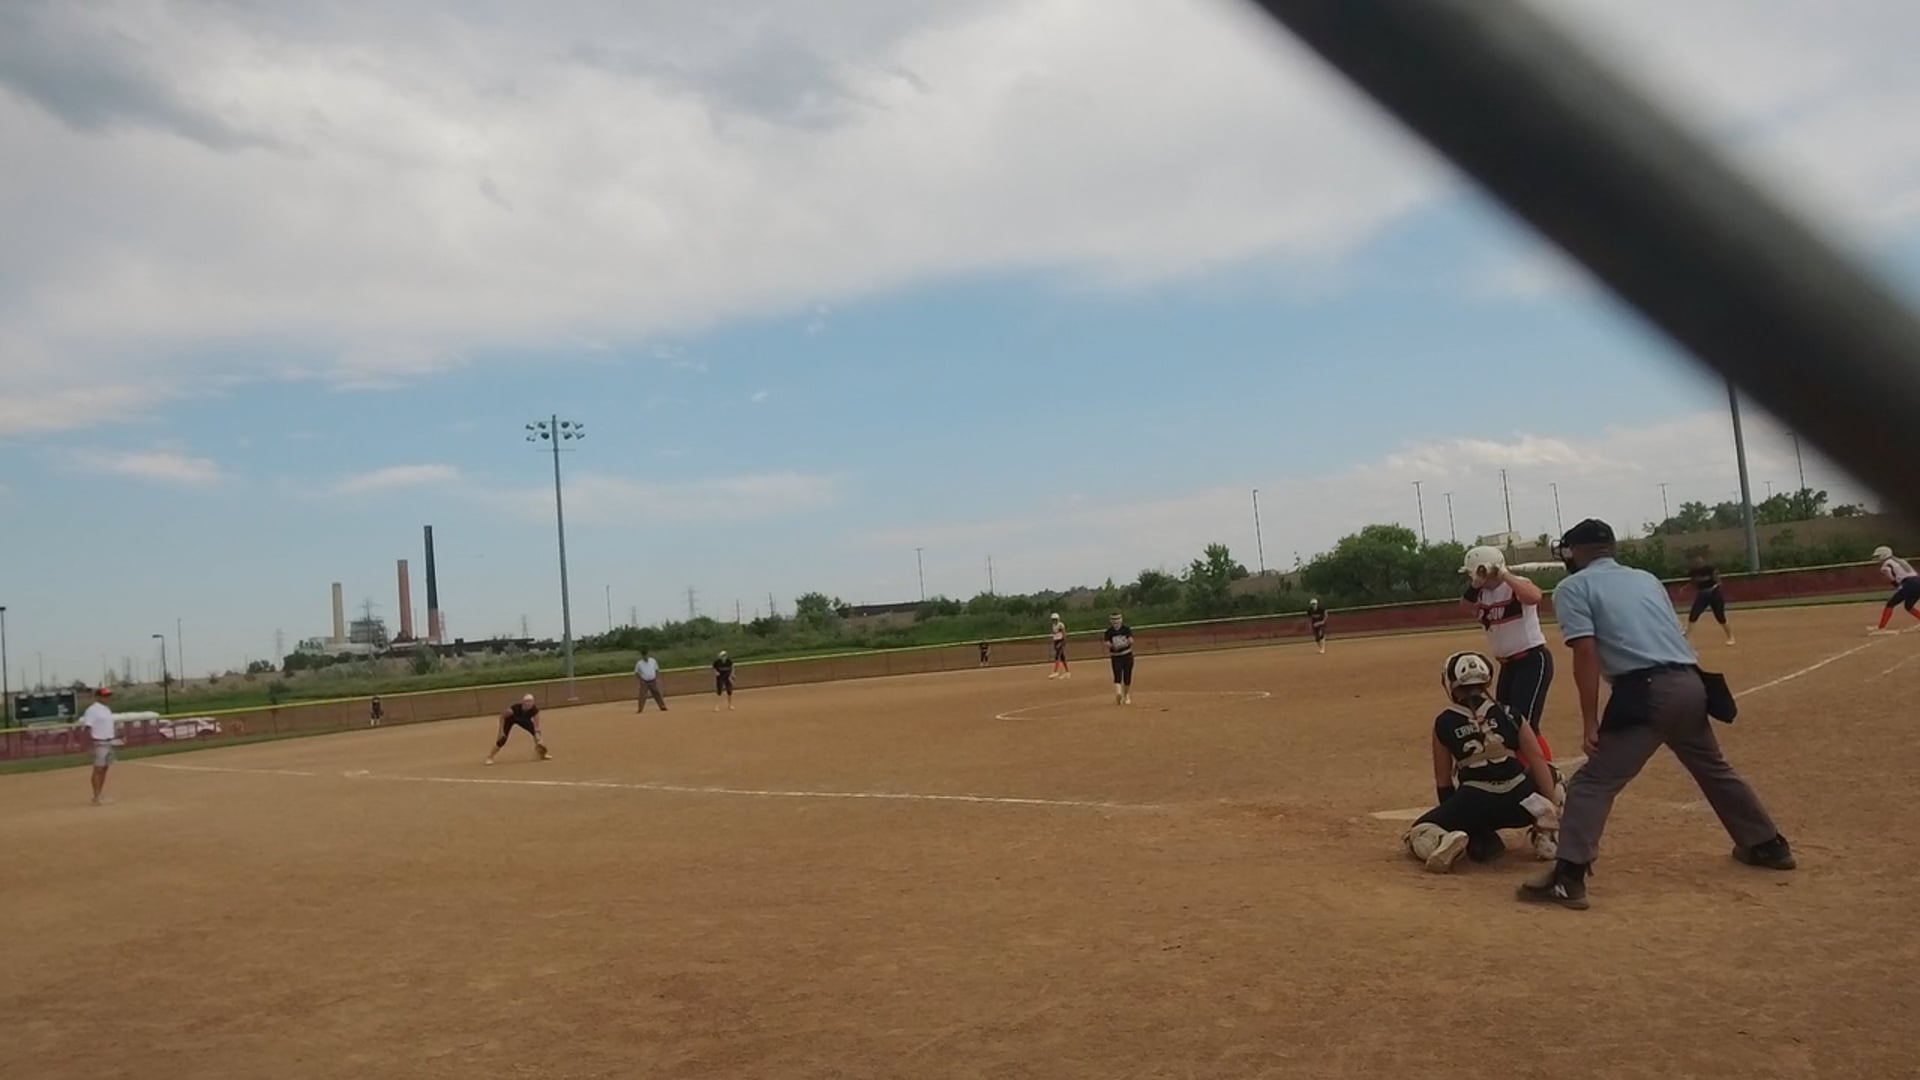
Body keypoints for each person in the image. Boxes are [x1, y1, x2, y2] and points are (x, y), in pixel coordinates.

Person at [1519, 519, 1793, 911]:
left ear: (1575, 552)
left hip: (1647, 690)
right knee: (1714, 769)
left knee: (1592, 783)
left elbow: (1585, 652)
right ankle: (1767, 845)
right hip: (1692, 684)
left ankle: (1568, 878)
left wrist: (1590, 721)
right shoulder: (1646, 579)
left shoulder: (1574, 587)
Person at [1403, 652, 1561, 873]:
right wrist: (1551, 804)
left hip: (1475, 802)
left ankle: (1443, 840)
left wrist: (1458, 819)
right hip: (1521, 801)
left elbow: (1444, 781)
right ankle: (1547, 834)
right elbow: (1537, 758)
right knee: (1554, 775)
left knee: (1419, 831)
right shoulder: (1510, 713)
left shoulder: (1444, 721)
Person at [1459, 546, 1557, 766]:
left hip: (1531, 659)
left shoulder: (1516, 585)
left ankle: (1546, 773)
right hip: (1508, 665)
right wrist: (1475, 585)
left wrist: (1503, 573)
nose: (1472, 576)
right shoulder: (1480, 593)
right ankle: (1520, 769)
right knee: (1505, 722)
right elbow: (1465, 608)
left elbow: (1534, 596)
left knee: (1525, 725)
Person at [77, 687, 118, 805]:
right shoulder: (92, 710)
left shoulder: (107, 709)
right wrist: (88, 745)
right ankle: (96, 796)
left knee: (104, 768)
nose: (107, 698)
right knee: (98, 769)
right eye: (105, 696)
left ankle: (99, 794)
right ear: (98, 697)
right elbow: (87, 728)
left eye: (108, 696)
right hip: (99, 742)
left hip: (108, 741)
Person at [486, 693, 551, 765]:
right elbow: (502, 717)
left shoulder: (535, 710)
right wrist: (501, 731)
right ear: (523, 702)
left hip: (524, 720)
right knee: (502, 739)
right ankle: (490, 757)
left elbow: (536, 727)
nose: (529, 703)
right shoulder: (513, 710)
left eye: (531, 701)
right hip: (510, 719)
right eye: (527, 701)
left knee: (536, 734)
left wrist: (538, 737)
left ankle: (542, 754)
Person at [1684, 555, 1735, 645]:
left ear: (1703, 561)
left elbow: (1718, 580)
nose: (1698, 562)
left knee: (1720, 616)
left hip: (1714, 594)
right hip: (1702, 595)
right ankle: (1686, 637)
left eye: (1700, 561)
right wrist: (1685, 587)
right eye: (1696, 561)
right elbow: (1692, 581)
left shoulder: (1709, 569)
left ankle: (1730, 636)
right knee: (1693, 614)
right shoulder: (1693, 572)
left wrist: (1716, 585)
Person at [1870, 545, 1920, 634]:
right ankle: (1881, 627)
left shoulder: (1886, 564)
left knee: (1890, 604)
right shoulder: (1899, 560)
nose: (1877, 558)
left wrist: (1896, 585)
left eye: (1878, 556)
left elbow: (1891, 576)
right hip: (1917, 580)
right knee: (1908, 606)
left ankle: (1881, 628)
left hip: (1909, 583)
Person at [1104, 611, 1135, 706]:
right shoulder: (1109, 632)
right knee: (1117, 674)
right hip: (1116, 656)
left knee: (1127, 676)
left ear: (1121, 619)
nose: (1116, 621)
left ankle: (1126, 695)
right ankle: (1118, 693)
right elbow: (1106, 643)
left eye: (1117, 619)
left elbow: (1131, 640)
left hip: (1127, 655)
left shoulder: (1126, 629)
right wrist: (1112, 645)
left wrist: (1126, 643)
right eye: (1113, 619)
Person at [634, 648, 668, 712]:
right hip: (644, 682)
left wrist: (657, 678)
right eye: (644, 655)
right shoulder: (639, 663)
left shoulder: (653, 661)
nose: (645, 657)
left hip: (653, 681)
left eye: (646, 655)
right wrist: (641, 680)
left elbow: (656, 670)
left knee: (657, 693)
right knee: (642, 695)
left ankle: (662, 706)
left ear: (648, 655)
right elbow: (636, 673)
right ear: (642, 656)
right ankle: (640, 709)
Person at [1048, 613, 1071, 679]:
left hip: (1060, 641)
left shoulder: (1060, 625)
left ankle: (1055, 671)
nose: (1054, 621)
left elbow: (1064, 634)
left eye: (1055, 619)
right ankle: (1067, 672)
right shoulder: (1053, 625)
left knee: (1057, 656)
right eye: (1053, 619)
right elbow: (1055, 634)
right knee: (1062, 657)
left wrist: (1062, 642)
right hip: (1056, 641)